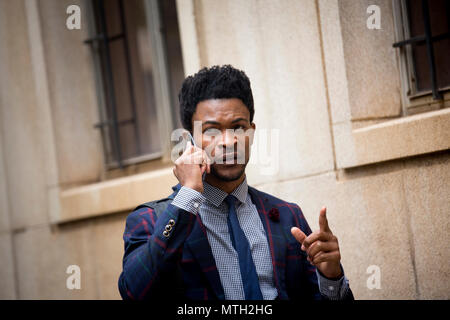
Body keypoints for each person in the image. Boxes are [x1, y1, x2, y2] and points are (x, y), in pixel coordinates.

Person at [118, 65, 354, 300]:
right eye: (211, 130)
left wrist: (331, 278)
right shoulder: (152, 220)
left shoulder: (287, 216)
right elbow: (134, 293)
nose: (229, 141)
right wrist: (187, 196)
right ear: (188, 139)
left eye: (238, 128)